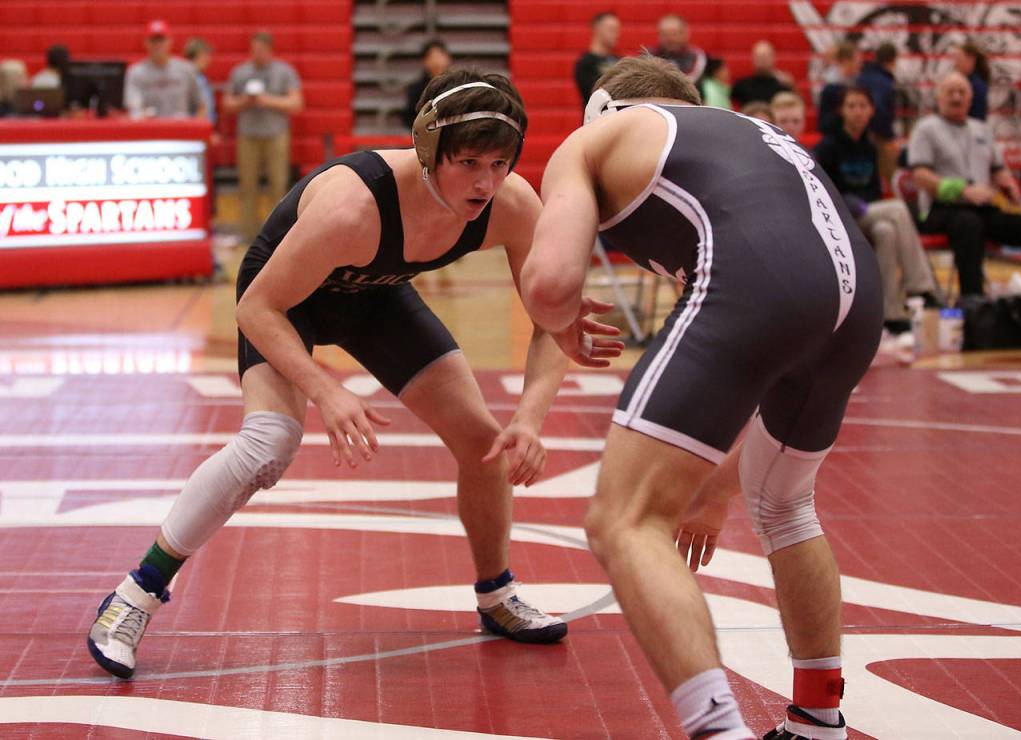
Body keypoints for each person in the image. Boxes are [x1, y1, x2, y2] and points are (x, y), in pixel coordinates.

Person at [86, 68, 625, 680]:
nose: (485, 182)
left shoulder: (511, 205)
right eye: (469, 162)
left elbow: (552, 317)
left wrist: (529, 419)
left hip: (374, 296)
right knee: (270, 443)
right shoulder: (353, 205)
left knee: (485, 443)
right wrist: (325, 389)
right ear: (428, 149)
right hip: (285, 298)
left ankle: (496, 596)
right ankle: (133, 597)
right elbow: (256, 308)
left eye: (500, 164)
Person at [522, 55, 882, 739]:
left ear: (602, 107)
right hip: (858, 295)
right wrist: (717, 489)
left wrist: (562, 318)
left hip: (755, 279)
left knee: (623, 520)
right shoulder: (748, 131)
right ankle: (818, 720)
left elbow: (548, 283)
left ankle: (719, 731)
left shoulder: (594, 138)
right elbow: (783, 297)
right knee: (784, 504)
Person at [815, 85, 939, 341]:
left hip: (868, 214)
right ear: (842, 111)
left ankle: (891, 315)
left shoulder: (870, 146)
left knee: (887, 231)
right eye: (852, 106)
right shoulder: (828, 145)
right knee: (898, 209)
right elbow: (823, 191)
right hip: (839, 217)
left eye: (863, 106)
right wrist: (855, 204)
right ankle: (921, 286)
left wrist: (867, 207)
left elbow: (873, 191)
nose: (858, 112)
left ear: (871, 111)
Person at [908, 71, 1021, 298]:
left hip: (982, 208)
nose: (956, 97)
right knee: (969, 224)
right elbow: (920, 175)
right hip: (941, 210)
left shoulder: (982, 129)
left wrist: (1008, 184)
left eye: (962, 92)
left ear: (971, 99)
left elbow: (997, 168)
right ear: (939, 97)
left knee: (1013, 224)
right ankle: (973, 302)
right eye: (950, 92)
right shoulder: (925, 129)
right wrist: (962, 190)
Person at [224, 31, 304, 242]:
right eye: (254, 49)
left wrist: (266, 100)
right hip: (248, 136)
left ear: (270, 50)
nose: (257, 54)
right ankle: (248, 234)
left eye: (261, 49)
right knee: (247, 185)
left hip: (275, 135)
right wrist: (246, 101)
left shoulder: (284, 72)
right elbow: (227, 105)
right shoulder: (240, 72)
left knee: (278, 184)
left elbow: (296, 104)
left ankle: (277, 234)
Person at [124, 20, 206, 120]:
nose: (158, 45)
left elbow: (201, 105)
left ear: (170, 41)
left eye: (161, 40)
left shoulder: (186, 69)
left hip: (181, 130)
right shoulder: (136, 73)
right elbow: (134, 108)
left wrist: (195, 130)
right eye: (154, 40)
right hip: (150, 130)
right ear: (146, 43)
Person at [856, 41, 898, 182]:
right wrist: (888, 136)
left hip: (861, 132)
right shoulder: (883, 82)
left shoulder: (864, 75)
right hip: (877, 134)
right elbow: (879, 108)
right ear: (893, 60)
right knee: (888, 173)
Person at [402, 39, 453, 128]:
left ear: (448, 58)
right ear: (425, 61)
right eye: (432, 57)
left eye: (439, 56)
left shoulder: (458, 85)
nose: (436, 61)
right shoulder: (416, 89)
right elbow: (410, 117)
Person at [574, 11, 620, 107]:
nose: (617, 34)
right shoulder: (585, 63)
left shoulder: (619, 61)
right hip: (597, 117)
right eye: (611, 30)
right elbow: (595, 92)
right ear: (598, 29)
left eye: (617, 30)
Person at [817, 41, 861, 136]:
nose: (860, 64)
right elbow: (824, 122)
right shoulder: (831, 86)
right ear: (846, 61)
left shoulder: (854, 81)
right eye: (857, 60)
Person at [731, 40, 793, 107]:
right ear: (753, 58)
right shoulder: (742, 85)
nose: (762, 60)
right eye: (759, 56)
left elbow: (795, 104)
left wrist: (792, 86)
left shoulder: (783, 84)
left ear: (773, 58)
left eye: (765, 56)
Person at [653, 14, 706, 81]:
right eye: (664, 34)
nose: (669, 39)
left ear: (685, 33)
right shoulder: (649, 56)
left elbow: (691, 81)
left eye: (674, 34)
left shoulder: (696, 56)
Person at [952, 41, 989, 121]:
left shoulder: (976, 85)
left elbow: (977, 117)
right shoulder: (968, 81)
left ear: (971, 59)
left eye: (959, 59)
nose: (956, 63)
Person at [184, 37, 216, 126]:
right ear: (199, 55)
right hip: (195, 127)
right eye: (207, 55)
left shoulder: (201, 77)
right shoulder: (187, 78)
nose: (209, 59)